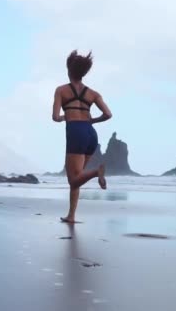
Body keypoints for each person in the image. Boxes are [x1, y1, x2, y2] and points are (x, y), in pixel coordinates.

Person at [52, 50, 112, 223]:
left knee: (73, 179)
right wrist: (91, 121)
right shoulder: (93, 93)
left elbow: (55, 117)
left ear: (69, 70)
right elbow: (108, 114)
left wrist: (67, 116)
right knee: (77, 177)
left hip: (75, 132)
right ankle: (71, 215)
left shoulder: (61, 91)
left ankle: (96, 172)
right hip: (90, 133)